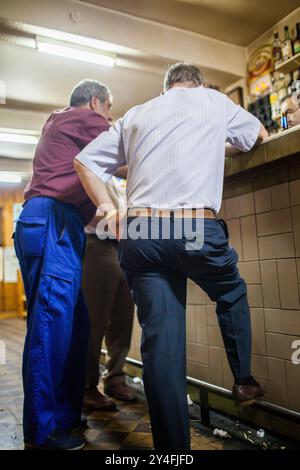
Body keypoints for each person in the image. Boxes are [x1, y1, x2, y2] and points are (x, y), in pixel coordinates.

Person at [74, 63, 268, 451]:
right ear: (195, 84)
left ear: (166, 88)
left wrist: (108, 209)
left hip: (141, 233)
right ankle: (244, 379)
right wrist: (218, 145)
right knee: (229, 291)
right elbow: (259, 135)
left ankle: (172, 453)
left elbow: (84, 160)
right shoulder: (214, 100)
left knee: (161, 344)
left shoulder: (137, 114)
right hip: (194, 229)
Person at [14, 79, 114, 450]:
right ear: (94, 102)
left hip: (60, 224)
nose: (109, 117)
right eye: (109, 110)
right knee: (51, 326)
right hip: (51, 220)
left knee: (76, 324)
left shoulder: (65, 126)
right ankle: (41, 433)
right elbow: (120, 143)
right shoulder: (78, 117)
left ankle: (65, 415)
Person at [83, 175, 137, 411]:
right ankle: (86, 386)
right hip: (96, 238)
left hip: (125, 242)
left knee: (124, 315)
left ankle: (115, 377)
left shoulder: (124, 168)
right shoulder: (93, 158)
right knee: (95, 318)